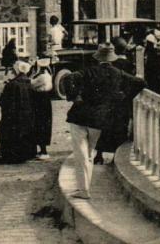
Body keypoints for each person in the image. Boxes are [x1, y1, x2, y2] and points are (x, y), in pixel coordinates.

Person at [63, 42, 145, 199]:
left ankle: (83, 190)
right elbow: (140, 83)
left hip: (79, 117)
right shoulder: (118, 74)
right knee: (88, 153)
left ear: (97, 57)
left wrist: (74, 96)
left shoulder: (88, 72)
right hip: (98, 120)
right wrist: (123, 96)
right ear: (112, 58)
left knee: (80, 155)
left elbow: (68, 78)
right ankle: (84, 188)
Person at [94, 39, 145, 164]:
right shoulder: (123, 68)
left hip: (103, 105)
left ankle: (99, 154)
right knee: (119, 130)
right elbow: (140, 83)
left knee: (102, 129)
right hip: (119, 105)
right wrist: (127, 95)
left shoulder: (95, 71)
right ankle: (116, 157)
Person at [0, 60, 37, 163]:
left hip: (12, 115)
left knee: (12, 134)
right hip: (27, 115)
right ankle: (26, 154)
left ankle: (11, 156)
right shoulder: (29, 82)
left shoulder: (12, 84)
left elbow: (4, 101)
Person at [29, 57, 54, 160]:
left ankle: (43, 151)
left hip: (40, 100)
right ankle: (42, 149)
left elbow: (31, 84)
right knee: (44, 124)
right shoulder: (48, 75)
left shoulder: (42, 77)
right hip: (45, 100)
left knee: (40, 124)